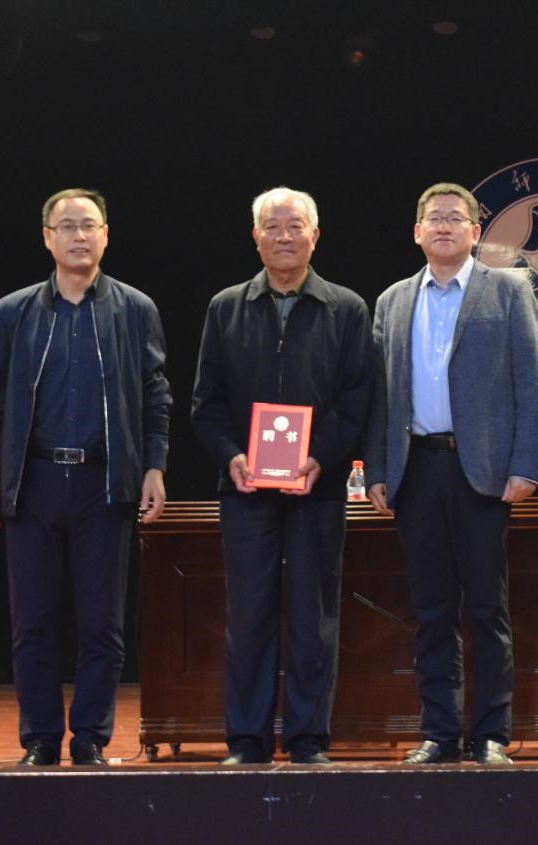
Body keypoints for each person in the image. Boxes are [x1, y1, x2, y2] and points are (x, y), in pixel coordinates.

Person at [0, 188, 172, 767]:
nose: (78, 236)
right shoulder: (14, 312)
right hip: (31, 482)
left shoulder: (135, 309)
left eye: (89, 225)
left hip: (103, 483)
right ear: (47, 238)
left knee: (101, 624)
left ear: (106, 234)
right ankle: (40, 738)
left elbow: (155, 396)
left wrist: (154, 465)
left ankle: (90, 737)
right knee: (32, 622)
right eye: (67, 226)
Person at [366, 183, 538, 765]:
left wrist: (526, 464)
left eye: (456, 218)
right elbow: (380, 396)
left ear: (475, 230)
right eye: (434, 218)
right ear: (417, 231)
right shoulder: (393, 299)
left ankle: (491, 734)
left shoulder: (507, 290)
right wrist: (377, 469)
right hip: (416, 470)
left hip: (484, 473)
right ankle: (439, 733)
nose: (444, 226)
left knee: (488, 609)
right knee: (431, 611)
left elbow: (531, 384)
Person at [192, 186, 373, 766]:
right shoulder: (226, 307)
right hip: (245, 490)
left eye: (295, 226)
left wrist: (321, 456)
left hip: (318, 489)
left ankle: (307, 738)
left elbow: (357, 399)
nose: (284, 237)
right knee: (247, 616)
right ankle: (246, 740)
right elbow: (206, 403)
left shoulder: (346, 308)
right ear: (255, 237)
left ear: (315, 235)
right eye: (272, 227)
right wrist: (230, 456)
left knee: (313, 618)